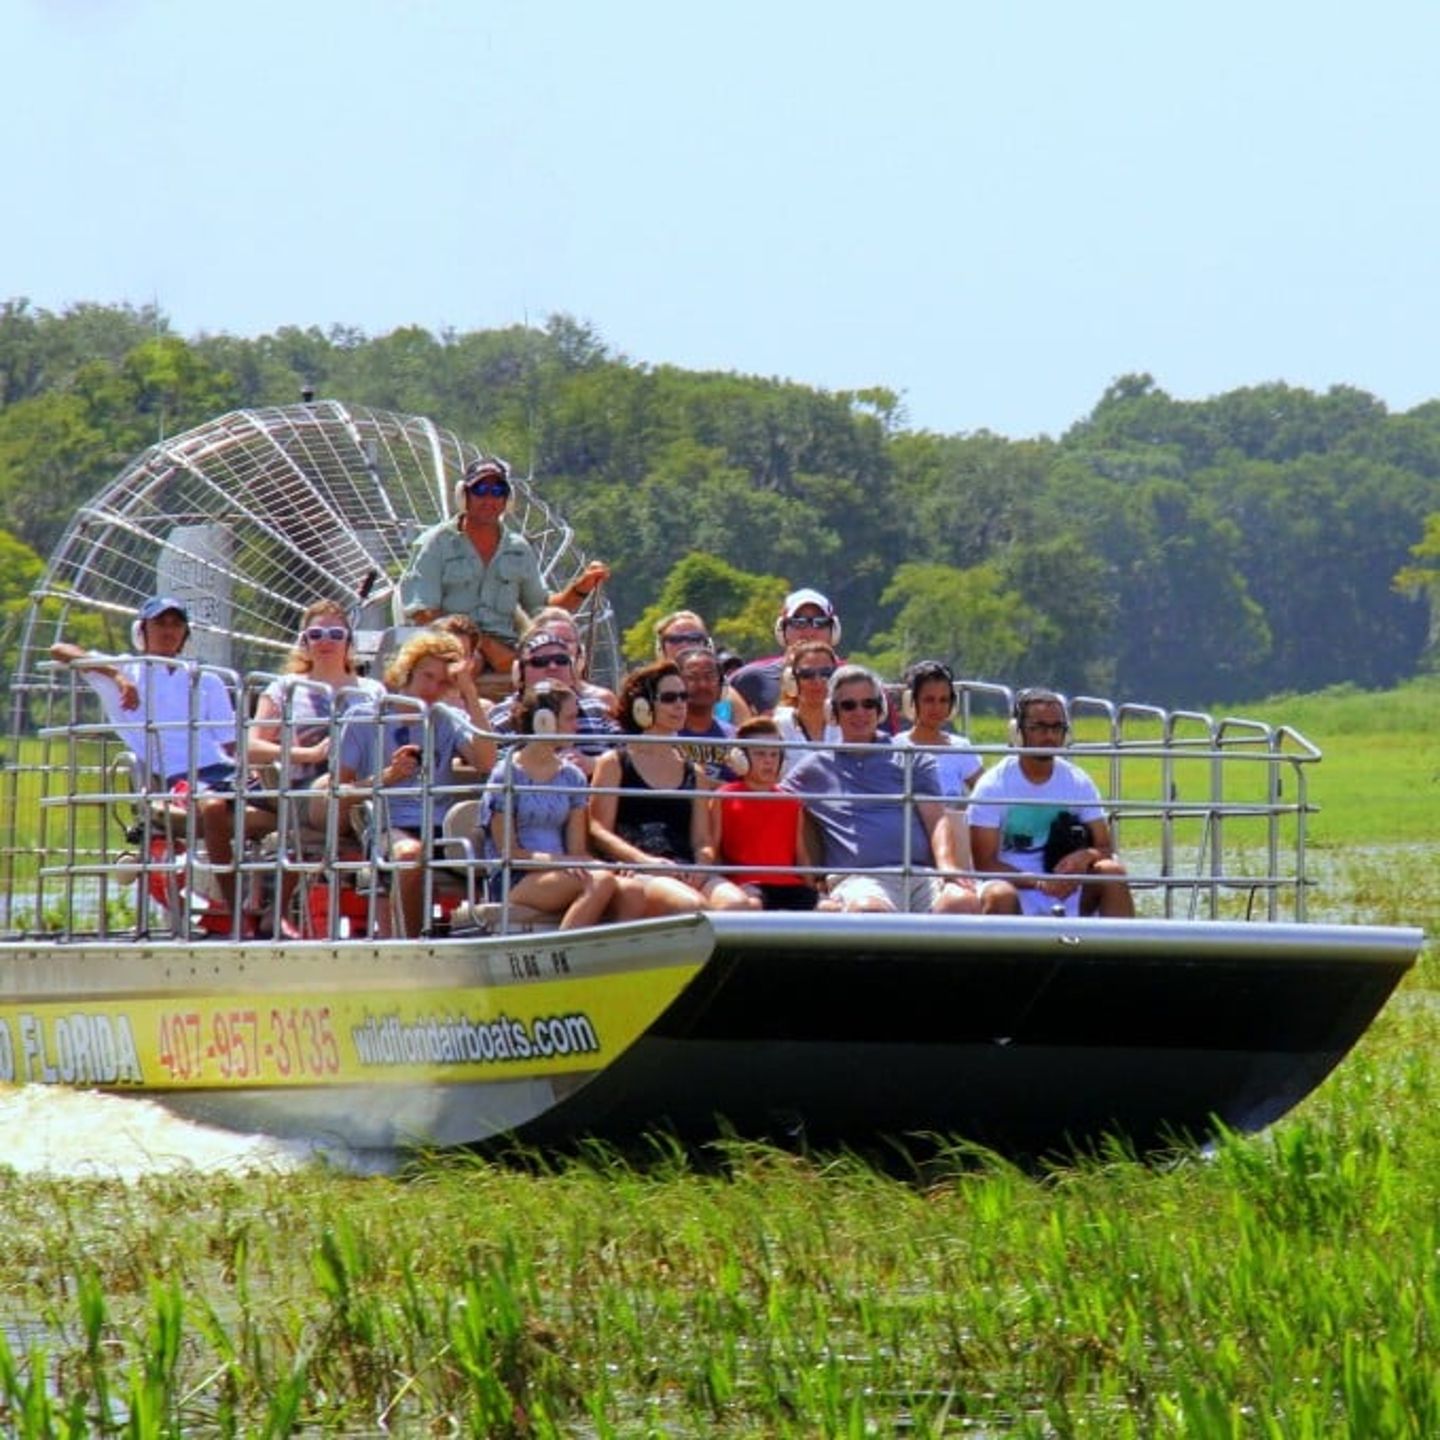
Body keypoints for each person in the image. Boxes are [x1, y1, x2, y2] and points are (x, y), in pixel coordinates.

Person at [50, 595, 273, 932]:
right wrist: (118, 677)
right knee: (212, 807)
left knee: (291, 804)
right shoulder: (126, 668)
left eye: (176, 624)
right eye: (160, 623)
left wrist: (263, 766)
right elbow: (60, 649)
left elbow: (230, 743)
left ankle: (277, 908)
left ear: (185, 633)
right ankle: (236, 908)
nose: (169, 631)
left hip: (223, 770)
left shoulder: (206, 678)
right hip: (177, 777)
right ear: (143, 630)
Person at [335, 630, 497, 937]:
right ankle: (414, 943)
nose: (433, 688)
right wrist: (389, 776)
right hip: (388, 825)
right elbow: (340, 792)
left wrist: (468, 692)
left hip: (441, 826)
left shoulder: (447, 718)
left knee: (501, 845)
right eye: (428, 676)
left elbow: (487, 762)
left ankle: (487, 937)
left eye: (444, 682)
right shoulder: (362, 718)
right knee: (410, 855)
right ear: (407, 671)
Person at [781, 665, 979, 914]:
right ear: (833, 713)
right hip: (859, 880)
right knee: (869, 909)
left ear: (880, 709)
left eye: (868, 704)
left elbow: (937, 820)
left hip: (919, 875)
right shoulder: (814, 768)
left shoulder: (913, 758)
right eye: (849, 705)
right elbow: (770, 800)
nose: (860, 713)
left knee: (962, 902)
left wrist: (948, 868)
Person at [398, 455, 609, 676]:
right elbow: (424, 612)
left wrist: (581, 587)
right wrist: (482, 644)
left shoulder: (518, 548)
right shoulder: (434, 544)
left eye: (498, 491)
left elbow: (541, 608)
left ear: (507, 500)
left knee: (554, 668)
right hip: (450, 647)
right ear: (464, 496)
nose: (489, 499)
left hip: (509, 651)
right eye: (480, 490)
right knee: (470, 665)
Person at [588, 660, 753, 914]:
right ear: (642, 706)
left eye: (683, 696)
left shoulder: (693, 770)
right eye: (669, 697)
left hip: (685, 867)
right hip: (640, 868)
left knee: (738, 905)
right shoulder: (614, 762)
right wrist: (644, 861)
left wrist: (701, 866)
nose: (680, 705)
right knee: (691, 905)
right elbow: (598, 829)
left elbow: (702, 840)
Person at [480, 684, 637, 929]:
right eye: (571, 718)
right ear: (545, 721)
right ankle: (566, 954)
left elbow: (577, 850)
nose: (577, 726)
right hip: (516, 876)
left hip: (561, 871)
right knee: (600, 882)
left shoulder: (572, 777)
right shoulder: (506, 775)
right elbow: (510, 853)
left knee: (626, 886)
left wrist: (607, 865)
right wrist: (565, 863)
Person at [969, 688, 1134, 918]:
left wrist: (1085, 856)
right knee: (999, 895)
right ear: (1017, 732)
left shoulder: (1078, 782)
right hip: (1013, 885)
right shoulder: (992, 785)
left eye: (1057, 728)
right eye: (1038, 728)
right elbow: (985, 864)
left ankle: (1120, 952)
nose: (1049, 736)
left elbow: (1106, 847)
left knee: (1112, 872)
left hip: (1070, 887)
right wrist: (1039, 882)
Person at [708, 718, 818, 910]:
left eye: (774, 754)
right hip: (747, 884)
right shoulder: (724, 796)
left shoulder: (791, 801)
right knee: (752, 906)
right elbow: (714, 850)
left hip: (790, 885)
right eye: (760, 754)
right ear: (740, 758)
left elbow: (801, 855)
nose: (769, 761)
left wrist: (814, 888)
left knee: (829, 909)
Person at [485, 623, 621, 775]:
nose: (553, 666)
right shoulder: (499, 717)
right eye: (540, 662)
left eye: (561, 660)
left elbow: (628, 755)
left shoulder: (599, 709)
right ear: (520, 672)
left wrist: (594, 764)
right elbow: (491, 766)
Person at [727, 588, 843, 716]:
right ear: (782, 630)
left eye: (820, 623)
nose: (809, 632)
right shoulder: (750, 678)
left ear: (834, 630)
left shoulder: (853, 678)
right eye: (799, 623)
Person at [654, 609, 751, 723]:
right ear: (661, 648)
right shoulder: (646, 690)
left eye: (694, 638)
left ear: (708, 646)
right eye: (675, 639)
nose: (685, 645)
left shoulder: (727, 696)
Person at [771, 639, 843, 765]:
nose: (818, 681)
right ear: (792, 681)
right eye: (807, 674)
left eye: (826, 673)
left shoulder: (850, 724)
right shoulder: (776, 727)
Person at [675, 645, 737, 783]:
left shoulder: (736, 739)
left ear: (721, 685)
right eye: (692, 677)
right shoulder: (663, 737)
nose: (702, 684)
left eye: (709, 677)